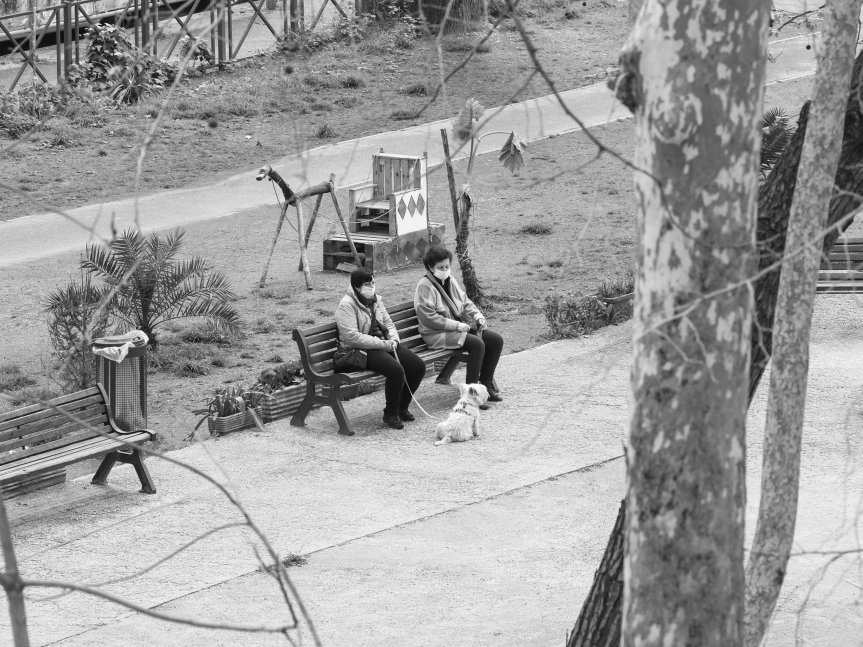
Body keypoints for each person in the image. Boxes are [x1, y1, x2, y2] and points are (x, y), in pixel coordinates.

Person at [335, 267, 426, 430]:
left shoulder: (376, 300)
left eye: (373, 282)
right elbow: (352, 337)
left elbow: (388, 322)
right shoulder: (346, 305)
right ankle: (390, 413)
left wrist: (394, 339)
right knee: (396, 370)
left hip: (383, 344)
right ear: (356, 287)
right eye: (367, 284)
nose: (371, 286)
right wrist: (383, 344)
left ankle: (402, 407)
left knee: (417, 366)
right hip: (359, 350)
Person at [414, 245, 503, 404]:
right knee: (477, 344)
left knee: (496, 340)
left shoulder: (450, 280)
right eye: (441, 267)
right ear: (430, 267)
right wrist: (454, 325)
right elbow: (427, 317)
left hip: (458, 328)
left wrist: (478, 316)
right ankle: (471, 396)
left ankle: (486, 385)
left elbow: (465, 301)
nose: (445, 269)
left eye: (447, 266)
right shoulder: (424, 286)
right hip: (436, 334)